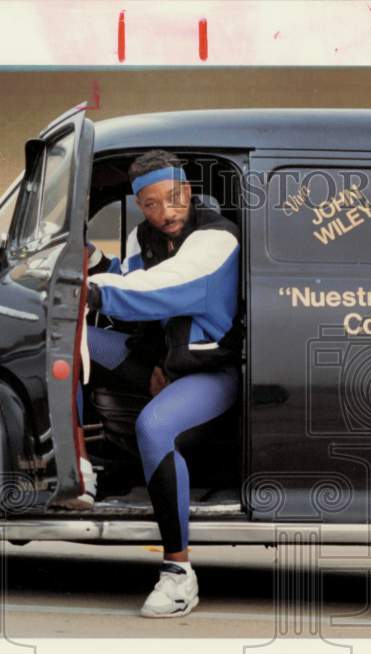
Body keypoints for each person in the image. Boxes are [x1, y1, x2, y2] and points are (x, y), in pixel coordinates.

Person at [80, 150, 241, 618]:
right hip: (167, 361)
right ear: (138, 205)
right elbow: (134, 277)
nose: (165, 213)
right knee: (73, 337)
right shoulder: (143, 235)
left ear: (187, 191)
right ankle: (81, 470)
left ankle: (178, 573)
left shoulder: (218, 238)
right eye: (151, 205)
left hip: (213, 370)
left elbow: (166, 285)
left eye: (173, 200)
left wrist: (94, 290)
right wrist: (95, 261)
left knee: (155, 427)